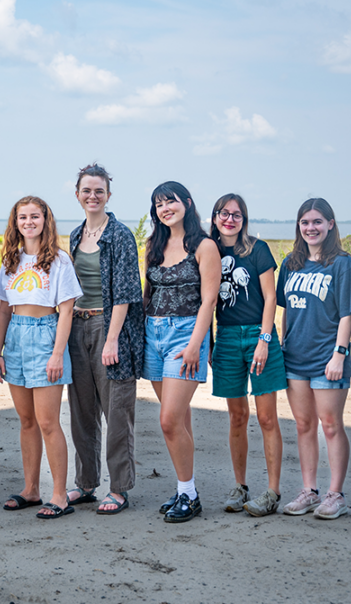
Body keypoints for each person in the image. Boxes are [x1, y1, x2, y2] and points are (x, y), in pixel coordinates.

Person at [0, 196, 82, 519]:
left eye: (34, 216)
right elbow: (3, 308)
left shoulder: (59, 260)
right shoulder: (10, 260)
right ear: (15, 223)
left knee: (47, 421)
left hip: (46, 335)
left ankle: (59, 494)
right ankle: (31, 489)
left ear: (46, 220)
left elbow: (67, 309)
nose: (28, 222)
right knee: (26, 421)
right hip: (16, 336)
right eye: (22, 217)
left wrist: (58, 353)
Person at [66, 164, 144, 515]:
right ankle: (85, 484)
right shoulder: (74, 235)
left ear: (108, 195)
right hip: (76, 328)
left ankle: (119, 488)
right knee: (82, 412)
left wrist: (112, 339)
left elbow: (127, 293)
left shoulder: (121, 235)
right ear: (78, 194)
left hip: (110, 329)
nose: (93, 196)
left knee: (117, 411)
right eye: (87, 190)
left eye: (99, 191)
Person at [143, 182, 220, 524]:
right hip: (153, 333)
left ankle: (189, 493)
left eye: (170, 201)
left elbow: (209, 300)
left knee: (168, 420)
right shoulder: (153, 245)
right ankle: (183, 488)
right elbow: (148, 293)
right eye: (158, 204)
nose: (165, 208)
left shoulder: (204, 246)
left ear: (186, 203)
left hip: (186, 334)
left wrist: (195, 346)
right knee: (179, 418)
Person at [277, 198, 351, 520]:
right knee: (303, 424)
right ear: (299, 227)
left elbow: (348, 313)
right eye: (305, 223)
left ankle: (335, 495)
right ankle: (309, 491)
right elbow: (286, 311)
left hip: (328, 358)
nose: (311, 228)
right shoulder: (290, 263)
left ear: (330, 225)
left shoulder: (341, 263)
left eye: (317, 222)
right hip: (295, 357)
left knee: (331, 425)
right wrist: (283, 346)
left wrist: (340, 353)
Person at [208, 193, 286, 517]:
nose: (230, 219)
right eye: (224, 213)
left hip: (258, 334)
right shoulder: (208, 251)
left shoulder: (258, 249)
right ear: (214, 217)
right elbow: (207, 301)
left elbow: (270, 298)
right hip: (225, 337)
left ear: (244, 219)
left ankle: (272, 492)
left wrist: (264, 340)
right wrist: (210, 343)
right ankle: (240, 487)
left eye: (236, 214)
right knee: (237, 416)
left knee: (266, 416)